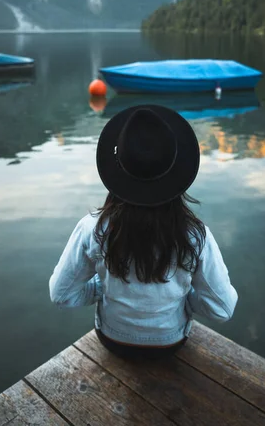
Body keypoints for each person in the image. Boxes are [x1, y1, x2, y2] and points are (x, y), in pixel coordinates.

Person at [49, 105, 238, 360]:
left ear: (118, 169)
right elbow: (223, 309)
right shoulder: (195, 235)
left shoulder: (93, 228)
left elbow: (61, 295)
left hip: (113, 341)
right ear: (176, 171)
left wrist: (101, 289)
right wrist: (183, 299)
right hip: (170, 344)